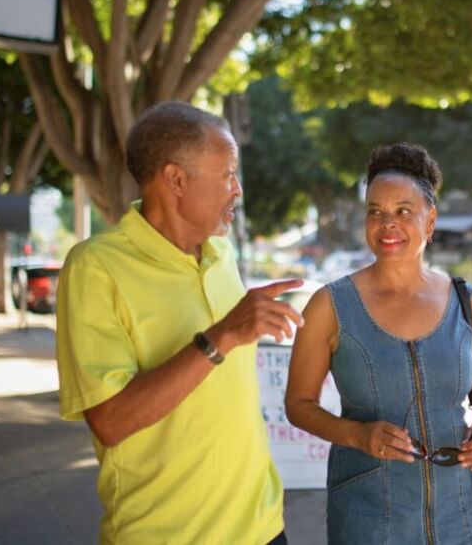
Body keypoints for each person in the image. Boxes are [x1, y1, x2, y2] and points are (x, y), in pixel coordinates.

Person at [56, 101, 304, 544]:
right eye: (227, 173)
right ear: (175, 179)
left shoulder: (220, 253)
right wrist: (221, 337)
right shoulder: (95, 268)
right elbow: (109, 422)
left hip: (263, 527)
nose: (238, 189)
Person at [285, 143, 472, 544]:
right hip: (368, 517)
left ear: (431, 221)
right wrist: (357, 435)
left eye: (404, 211)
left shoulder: (467, 301)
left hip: (460, 516)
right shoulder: (330, 305)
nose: (388, 223)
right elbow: (298, 405)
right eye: (376, 212)